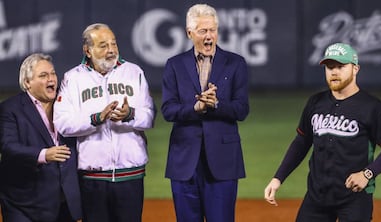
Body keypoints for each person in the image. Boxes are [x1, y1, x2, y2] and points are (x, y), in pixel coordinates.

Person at [264, 43, 381, 221]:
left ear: (355, 69)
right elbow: (301, 142)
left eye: (341, 66)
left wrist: (367, 173)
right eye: (330, 67)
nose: (334, 72)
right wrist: (278, 178)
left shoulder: (372, 107)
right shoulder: (315, 102)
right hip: (317, 196)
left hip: (355, 197)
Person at [53, 23, 155, 222]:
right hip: (93, 177)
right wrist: (96, 119)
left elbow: (150, 116)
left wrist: (130, 114)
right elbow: (62, 123)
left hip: (130, 174)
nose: (111, 50)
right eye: (103, 45)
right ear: (87, 50)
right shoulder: (73, 79)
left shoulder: (134, 72)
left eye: (113, 44)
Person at [161, 3, 249, 222]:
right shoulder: (174, 65)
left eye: (213, 30)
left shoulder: (236, 63)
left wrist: (217, 104)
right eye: (203, 31)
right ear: (190, 33)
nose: (209, 36)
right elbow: (168, 110)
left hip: (222, 162)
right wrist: (195, 108)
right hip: (184, 162)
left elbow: (242, 109)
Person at [0, 53, 82, 222]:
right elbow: (8, 147)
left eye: (52, 74)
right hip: (24, 204)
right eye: (43, 75)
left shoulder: (67, 103)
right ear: (27, 82)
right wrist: (44, 154)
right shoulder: (10, 109)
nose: (51, 79)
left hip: (64, 199)